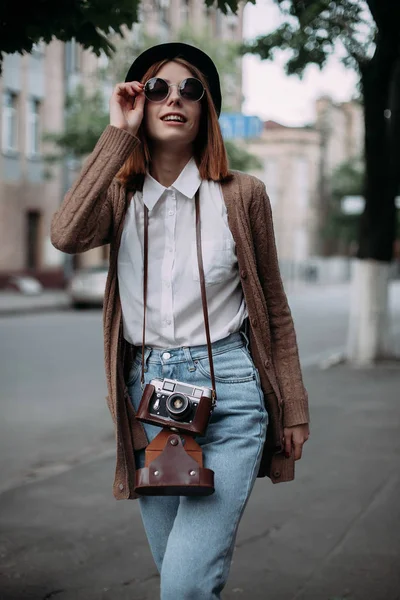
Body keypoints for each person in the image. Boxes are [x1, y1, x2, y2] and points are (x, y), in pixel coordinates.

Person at [51, 42, 310, 600]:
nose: (175, 98)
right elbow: (66, 234)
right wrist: (117, 133)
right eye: (158, 89)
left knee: (185, 584)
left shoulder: (243, 196)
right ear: (139, 103)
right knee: (179, 573)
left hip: (232, 394)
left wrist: (294, 403)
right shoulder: (119, 196)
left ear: (207, 108)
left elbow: (276, 308)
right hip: (148, 400)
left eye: (190, 89)